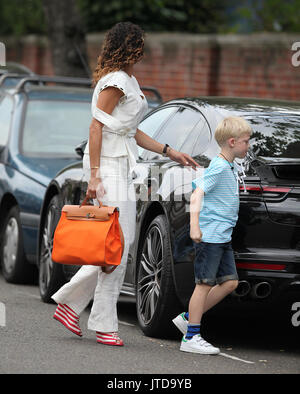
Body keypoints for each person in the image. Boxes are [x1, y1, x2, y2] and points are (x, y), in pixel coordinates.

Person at [51, 21, 199, 346]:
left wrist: (170, 151)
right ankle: (99, 321)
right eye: (140, 45)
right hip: (108, 166)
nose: (144, 51)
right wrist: (93, 176)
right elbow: (95, 127)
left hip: (121, 163)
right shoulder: (117, 81)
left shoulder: (128, 79)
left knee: (116, 245)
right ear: (130, 46)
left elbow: (130, 130)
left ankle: (70, 304)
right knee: (117, 246)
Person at [172, 116, 252, 355]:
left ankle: (188, 318)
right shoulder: (218, 166)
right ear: (232, 142)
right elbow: (197, 194)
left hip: (222, 236)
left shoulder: (229, 164)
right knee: (204, 284)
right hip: (210, 235)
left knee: (229, 282)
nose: (248, 146)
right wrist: (195, 226)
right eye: (246, 142)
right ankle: (191, 337)